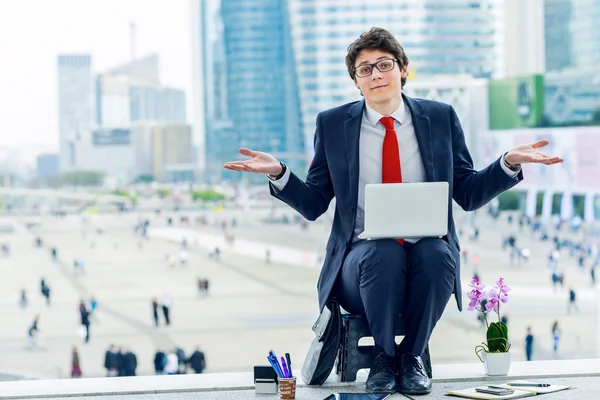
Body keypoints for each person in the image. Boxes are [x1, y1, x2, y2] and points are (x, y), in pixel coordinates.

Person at [223, 27, 562, 394]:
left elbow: (467, 192)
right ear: (356, 81)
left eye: (383, 65)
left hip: (424, 259)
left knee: (438, 253)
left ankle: (411, 357)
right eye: (364, 70)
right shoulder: (334, 125)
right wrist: (280, 173)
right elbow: (314, 202)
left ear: (403, 69)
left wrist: (507, 163)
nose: (375, 75)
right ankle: (384, 357)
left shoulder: (440, 118)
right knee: (383, 251)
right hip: (360, 266)